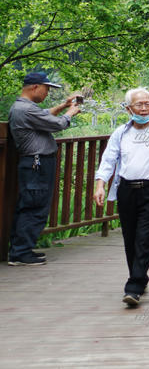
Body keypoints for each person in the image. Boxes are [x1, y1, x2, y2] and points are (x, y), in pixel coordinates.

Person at [94, 88, 149, 304]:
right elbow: (108, 161)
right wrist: (100, 185)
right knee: (130, 238)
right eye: (139, 105)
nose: (144, 109)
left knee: (145, 237)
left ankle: (133, 286)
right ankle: (140, 276)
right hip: (126, 190)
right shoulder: (120, 133)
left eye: (148, 104)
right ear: (128, 108)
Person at [7, 71, 82, 266]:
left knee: (31, 205)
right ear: (35, 87)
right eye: (46, 89)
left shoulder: (24, 107)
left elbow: (45, 114)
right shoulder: (26, 109)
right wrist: (69, 113)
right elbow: (57, 124)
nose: (47, 93)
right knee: (34, 206)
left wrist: (63, 105)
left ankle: (20, 250)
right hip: (36, 163)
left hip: (35, 163)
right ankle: (21, 253)